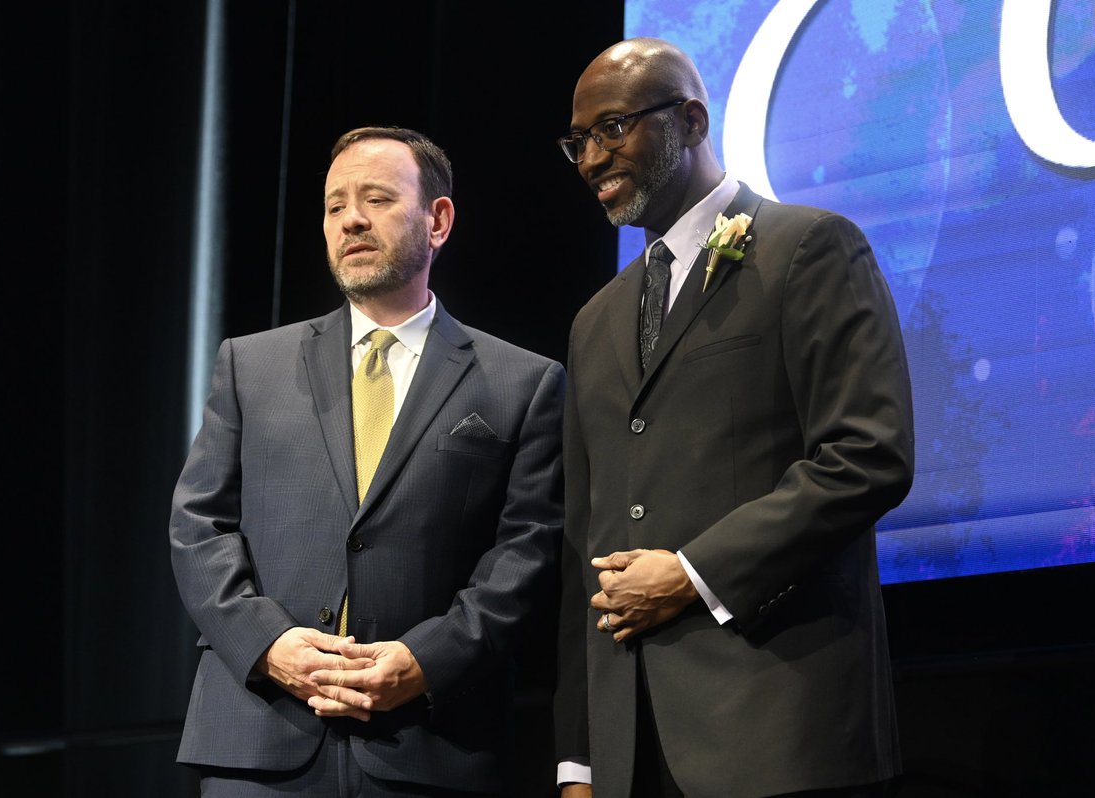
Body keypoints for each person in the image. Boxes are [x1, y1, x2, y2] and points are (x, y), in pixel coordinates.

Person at [553, 38, 914, 798]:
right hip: (632, 753)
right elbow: (587, 541)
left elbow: (866, 454)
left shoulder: (808, 248)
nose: (591, 159)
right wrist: (581, 760)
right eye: (578, 141)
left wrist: (692, 574)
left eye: (613, 129)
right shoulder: (595, 321)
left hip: (778, 730)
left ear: (689, 120)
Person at [170, 125, 564, 796]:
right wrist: (270, 645)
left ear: (437, 220)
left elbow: (526, 551)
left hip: (430, 749)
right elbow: (198, 527)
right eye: (334, 205)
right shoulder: (251, 364)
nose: (351, 218)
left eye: (377, 198)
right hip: (260, 742)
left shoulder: (521, 382)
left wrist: (423, 659)